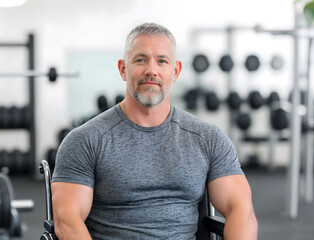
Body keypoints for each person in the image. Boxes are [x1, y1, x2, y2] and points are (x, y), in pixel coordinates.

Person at [51, 23, 258, 240]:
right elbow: (68, 221)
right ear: (123, 69)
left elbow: (241, 210)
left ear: (175, 71)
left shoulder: (208, 139)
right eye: (140, 60)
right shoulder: (85, 140)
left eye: (162, 61)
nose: (151, 70)